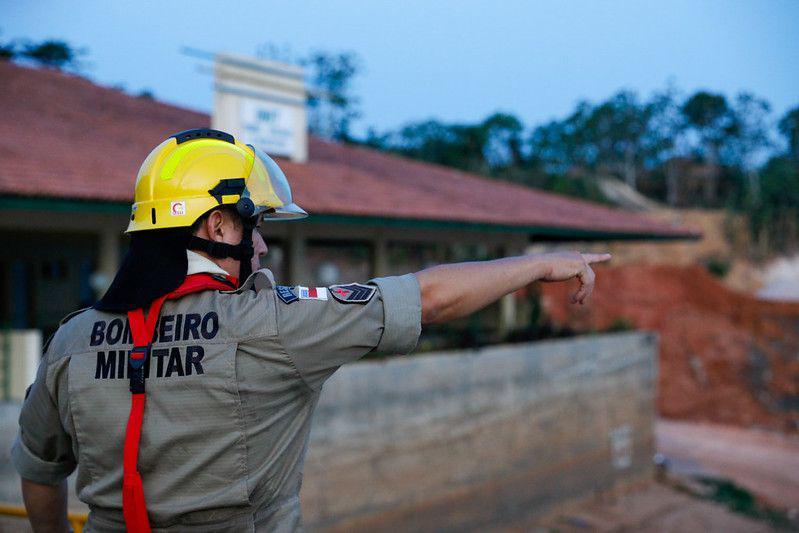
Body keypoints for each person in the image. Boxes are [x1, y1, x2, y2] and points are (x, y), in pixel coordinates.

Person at [12, 129, 611, 532]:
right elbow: (429, 297)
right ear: (219, 226)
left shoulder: (73, 339)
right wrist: (538, 264)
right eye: (258, 224)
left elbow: (40, 472)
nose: (265, 244)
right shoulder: (274, 321)